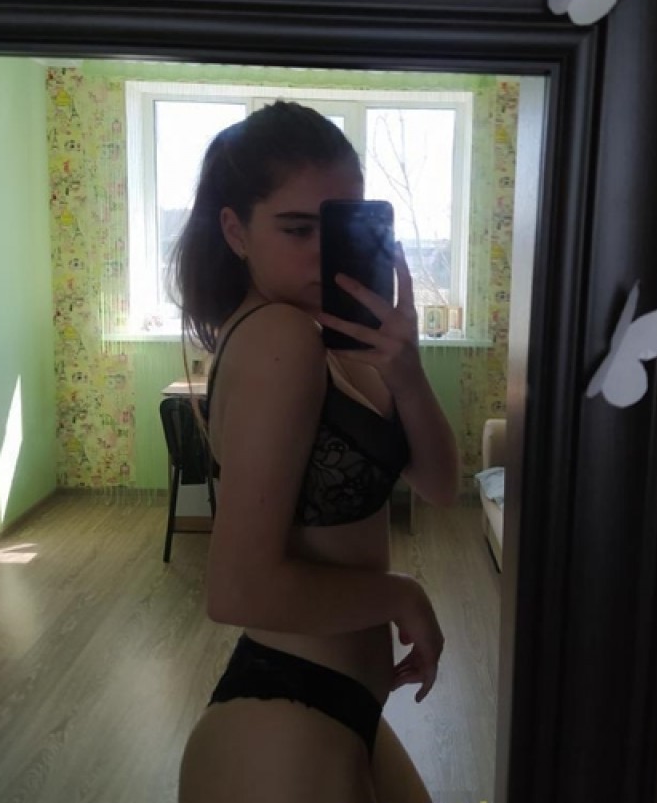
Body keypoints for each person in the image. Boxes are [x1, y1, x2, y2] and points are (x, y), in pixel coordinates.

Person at [173, 101, 460, 803]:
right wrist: (401, 593)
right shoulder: (280, 337)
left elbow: (440, 484)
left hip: (336, 705)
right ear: (236, 231)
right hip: (284, 725)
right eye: (298, 228)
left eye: (341, 226)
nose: (323, 252)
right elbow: (236, 590)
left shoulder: (332, 339)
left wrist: (407, 370)